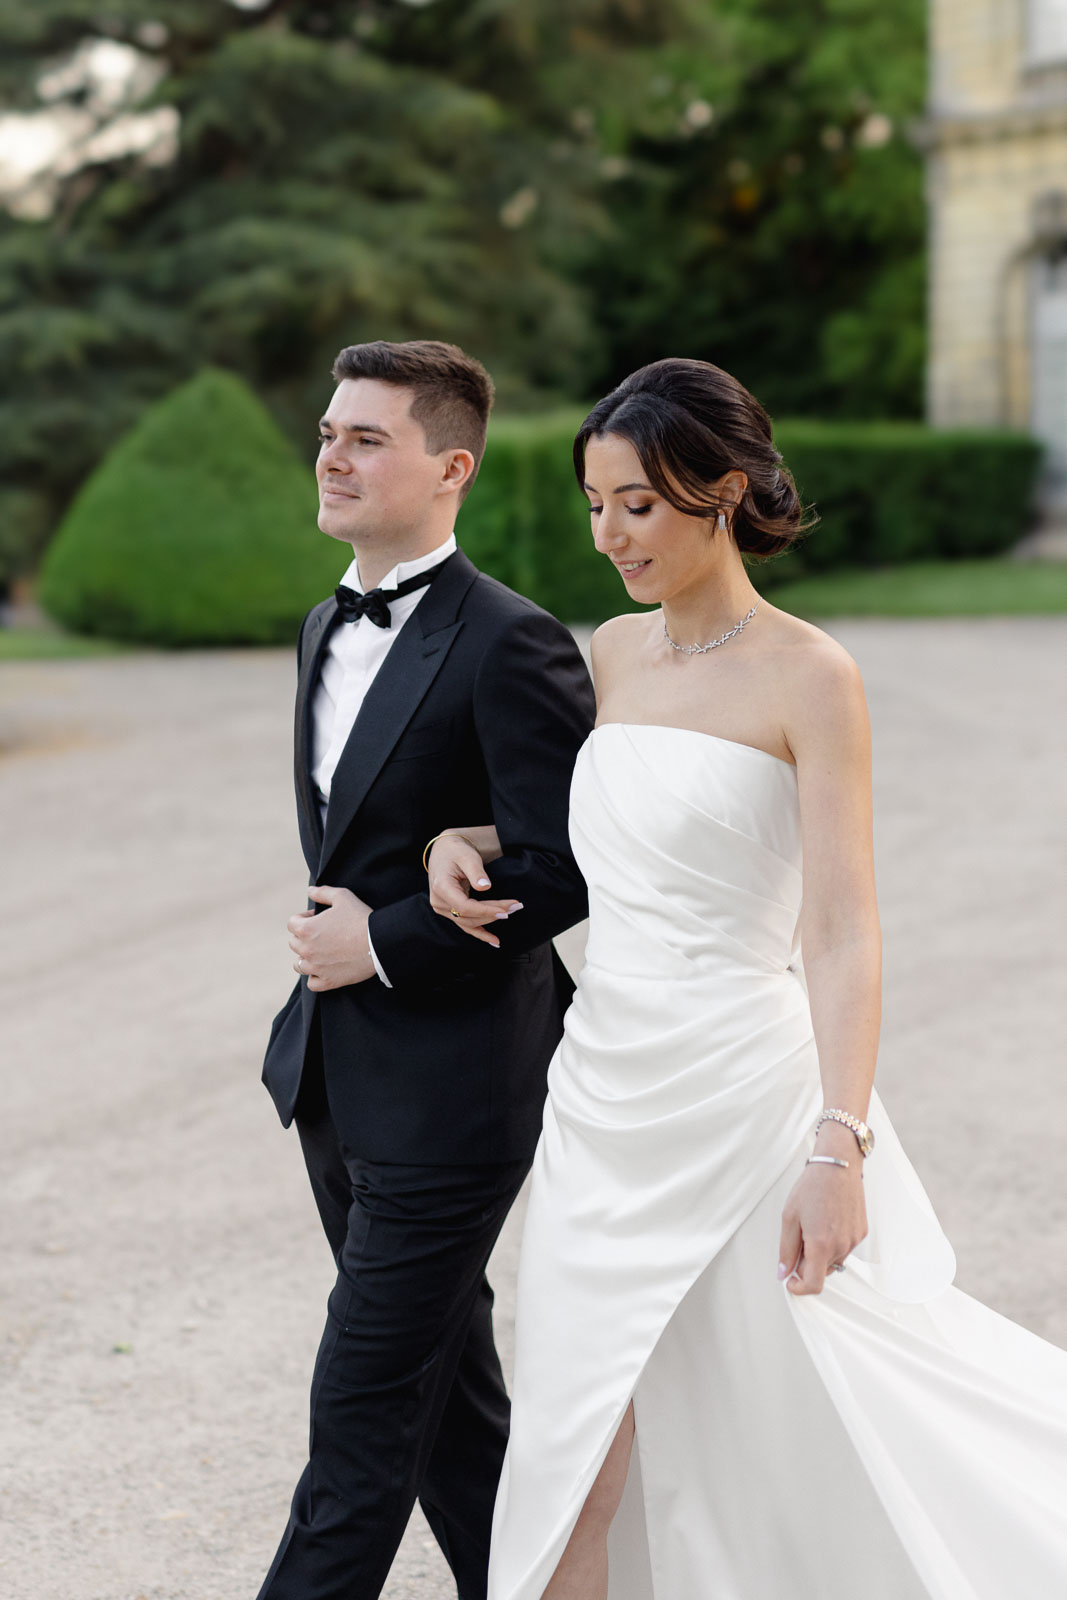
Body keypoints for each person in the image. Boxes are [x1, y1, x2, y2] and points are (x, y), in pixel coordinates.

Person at [425, 358, 1067, 1599]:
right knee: (570, 1447)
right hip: (604, 1100)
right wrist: (468, 838)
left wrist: (840, 1143)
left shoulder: (809, 676)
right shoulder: (607, 653)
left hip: (748, 1100)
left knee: (829, 1398)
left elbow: (840, 927)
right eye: (596, 503)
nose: (611, 535)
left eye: (641, 506)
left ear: (720, 493)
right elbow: (595, 835)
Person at [257, 338, 596, 1600]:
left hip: (458, 1094)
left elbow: (569, 866)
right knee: (453, 1418)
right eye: (330, 430)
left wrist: (381, 941)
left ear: (449, 468)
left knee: (356, 1426)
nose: (329, 455)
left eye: (365, 438)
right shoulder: (317, 625)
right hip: (338, 1081)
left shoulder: (511, 641)